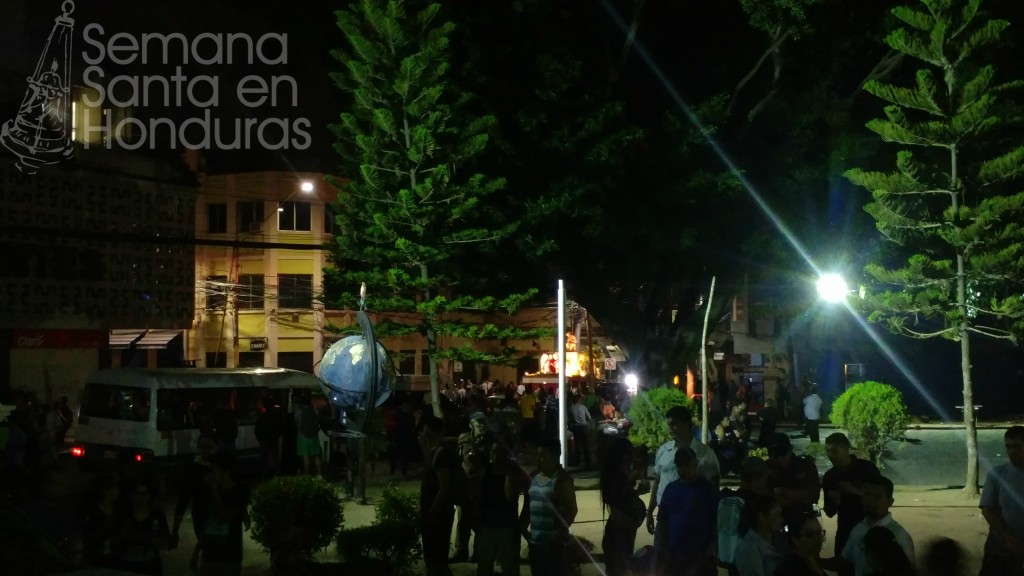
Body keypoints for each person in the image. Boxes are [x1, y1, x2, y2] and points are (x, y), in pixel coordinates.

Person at [646, 406, 720, 537]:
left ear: (687, 424)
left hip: (695, 519)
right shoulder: (664, 451)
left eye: (674, 424)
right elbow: (657, 483)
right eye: (669, 425)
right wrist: (650, 512)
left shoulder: (705, 454)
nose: (670, 429)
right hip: (665, 518)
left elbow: (714, 488)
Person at [653, 446, 718, 576]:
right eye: (680, 465)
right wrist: (660, 551)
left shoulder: (706, 489)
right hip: (675, 556)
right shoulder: (671, 489)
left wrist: (711, 548)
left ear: (695, 464)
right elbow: (663, 522)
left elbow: (716, 520)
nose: (683, 468)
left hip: (701, 557)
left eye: (686, 464)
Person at [519, 438, 578, 576]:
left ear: (555, 456)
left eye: (543, 456)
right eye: (538, 456)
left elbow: (572, 510)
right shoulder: (533, 478)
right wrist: (523, 530)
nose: (538, 460)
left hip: (553, 546)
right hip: (535, 544)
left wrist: (557, 535)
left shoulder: (562, 479)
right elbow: (528, 506)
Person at [821, 432, 879, 565]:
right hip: (845, 532)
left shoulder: (866, 469)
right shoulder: (830, 476)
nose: (830, 455)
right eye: (827, 450)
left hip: (869, 529)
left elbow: (880, 500)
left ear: (846, 449)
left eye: (834, 450)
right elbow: (829, 513)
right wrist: (835, 501)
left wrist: (854, 491)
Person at [474, 435, 528, 576]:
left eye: (501, 453)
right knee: (484, 567)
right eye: (494, 452)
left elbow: (510, 496)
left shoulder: (515, 472)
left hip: (507, 528)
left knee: (509, 568)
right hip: (487, 526)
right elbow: (478, 497)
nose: (496, 457)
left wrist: (508, 474)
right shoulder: (485, 471)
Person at [840, 475, 914, 576]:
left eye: (877, 496)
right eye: (867, 494)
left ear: (890, 502)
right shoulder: (858, 529)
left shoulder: (900, 535)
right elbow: (845, 560)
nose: (870, 500)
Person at [979, 425, 1024, 576]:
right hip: (999, 550)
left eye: (1017, 446)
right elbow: (987, 509)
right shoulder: (997, 474)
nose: (1011, 451)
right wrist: (1009, 539)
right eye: (1008, 446)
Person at [196, 452, 249, 576]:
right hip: (208, 556)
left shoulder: (240, 491)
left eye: (213, 469)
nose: (210, 474)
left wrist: (214, 491)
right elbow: (207, 525)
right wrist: (197, 552)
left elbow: (224, 516)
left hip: (229, 557)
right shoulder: (207, 491)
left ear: (225, 471)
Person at [171, 434, 218, 569]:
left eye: (209, 447)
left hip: (218, 513)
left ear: (217, 447)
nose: (206, 451)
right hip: (201, 513)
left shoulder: (221, 467)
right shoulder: (192, 469)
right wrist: (175, 530)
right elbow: (183, 499)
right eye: (203, 447)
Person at [600, 436, 645, 576]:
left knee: (619, 567)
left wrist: (635, 491)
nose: (631, 459)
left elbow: (621, 498)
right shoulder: (615, 475)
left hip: (621, 529)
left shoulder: (615, 473)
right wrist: (632, 482)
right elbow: (618, 499)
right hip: (620, 531)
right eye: (629, 455)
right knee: (620, 568)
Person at [718, 457, 771, 574]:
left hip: (729, 560)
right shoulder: (756, 504)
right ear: (756, 478)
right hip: (750, 562)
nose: (766, 483)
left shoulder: (725, 498)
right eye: (765, 478)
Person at [420, 414, 458, 576]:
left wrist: (431, 512)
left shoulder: (443, 454)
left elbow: (444, 488)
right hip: (433, 514)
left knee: (436, 559)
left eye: (424, 432)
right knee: (433, 558)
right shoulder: (434, 452)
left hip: (438, 516)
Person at [109, 481, 170, 575]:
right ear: (131, 495)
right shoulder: (122, 515)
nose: (141, 497)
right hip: (126, 564)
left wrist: (157, 543)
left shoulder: (157, 515)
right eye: (137, 493)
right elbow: (113, 539)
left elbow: (165, 540)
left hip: (150, 564)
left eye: (145, 493)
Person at [764, 433, 820, 526]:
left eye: (782, 454)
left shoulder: (805, 466)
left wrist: (786, 492)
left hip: (801, 519)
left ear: (790, 449)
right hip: (774, 521)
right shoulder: (766, 467)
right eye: (775, 455)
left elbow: (813, 495)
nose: (779, 458)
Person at [734, 495, 784, 576]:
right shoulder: (750, 547)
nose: (781, 519)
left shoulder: (778, 541)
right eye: (777, 515)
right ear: (762, 517)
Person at [254, 396, 284, 477]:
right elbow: (279, 428)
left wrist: (259, 438)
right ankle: (277, 475)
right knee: (275, 459)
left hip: (264, 441)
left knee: (264, 460)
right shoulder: (276, 416)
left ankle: (264, 476)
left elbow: (257, 429)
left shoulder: (261, 417)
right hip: (273, 440)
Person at [294, 394, 322, 476]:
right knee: (316, 456)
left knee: (306, 457)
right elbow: (319, 421)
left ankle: (306, 474)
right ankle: (319, 474)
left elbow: (296, 423)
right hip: (314, 436)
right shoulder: (315, 411)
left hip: (303, 437)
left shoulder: (298, 412)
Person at [570, 394, 592, 468]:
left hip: (576, 428)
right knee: (585, 445)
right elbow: (589, 417)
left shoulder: (571, 408)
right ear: (578, 400)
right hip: (584, 427)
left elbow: (569, 420)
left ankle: (577, 462)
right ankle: (587, 462)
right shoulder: (583, 407)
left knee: (577, 446)